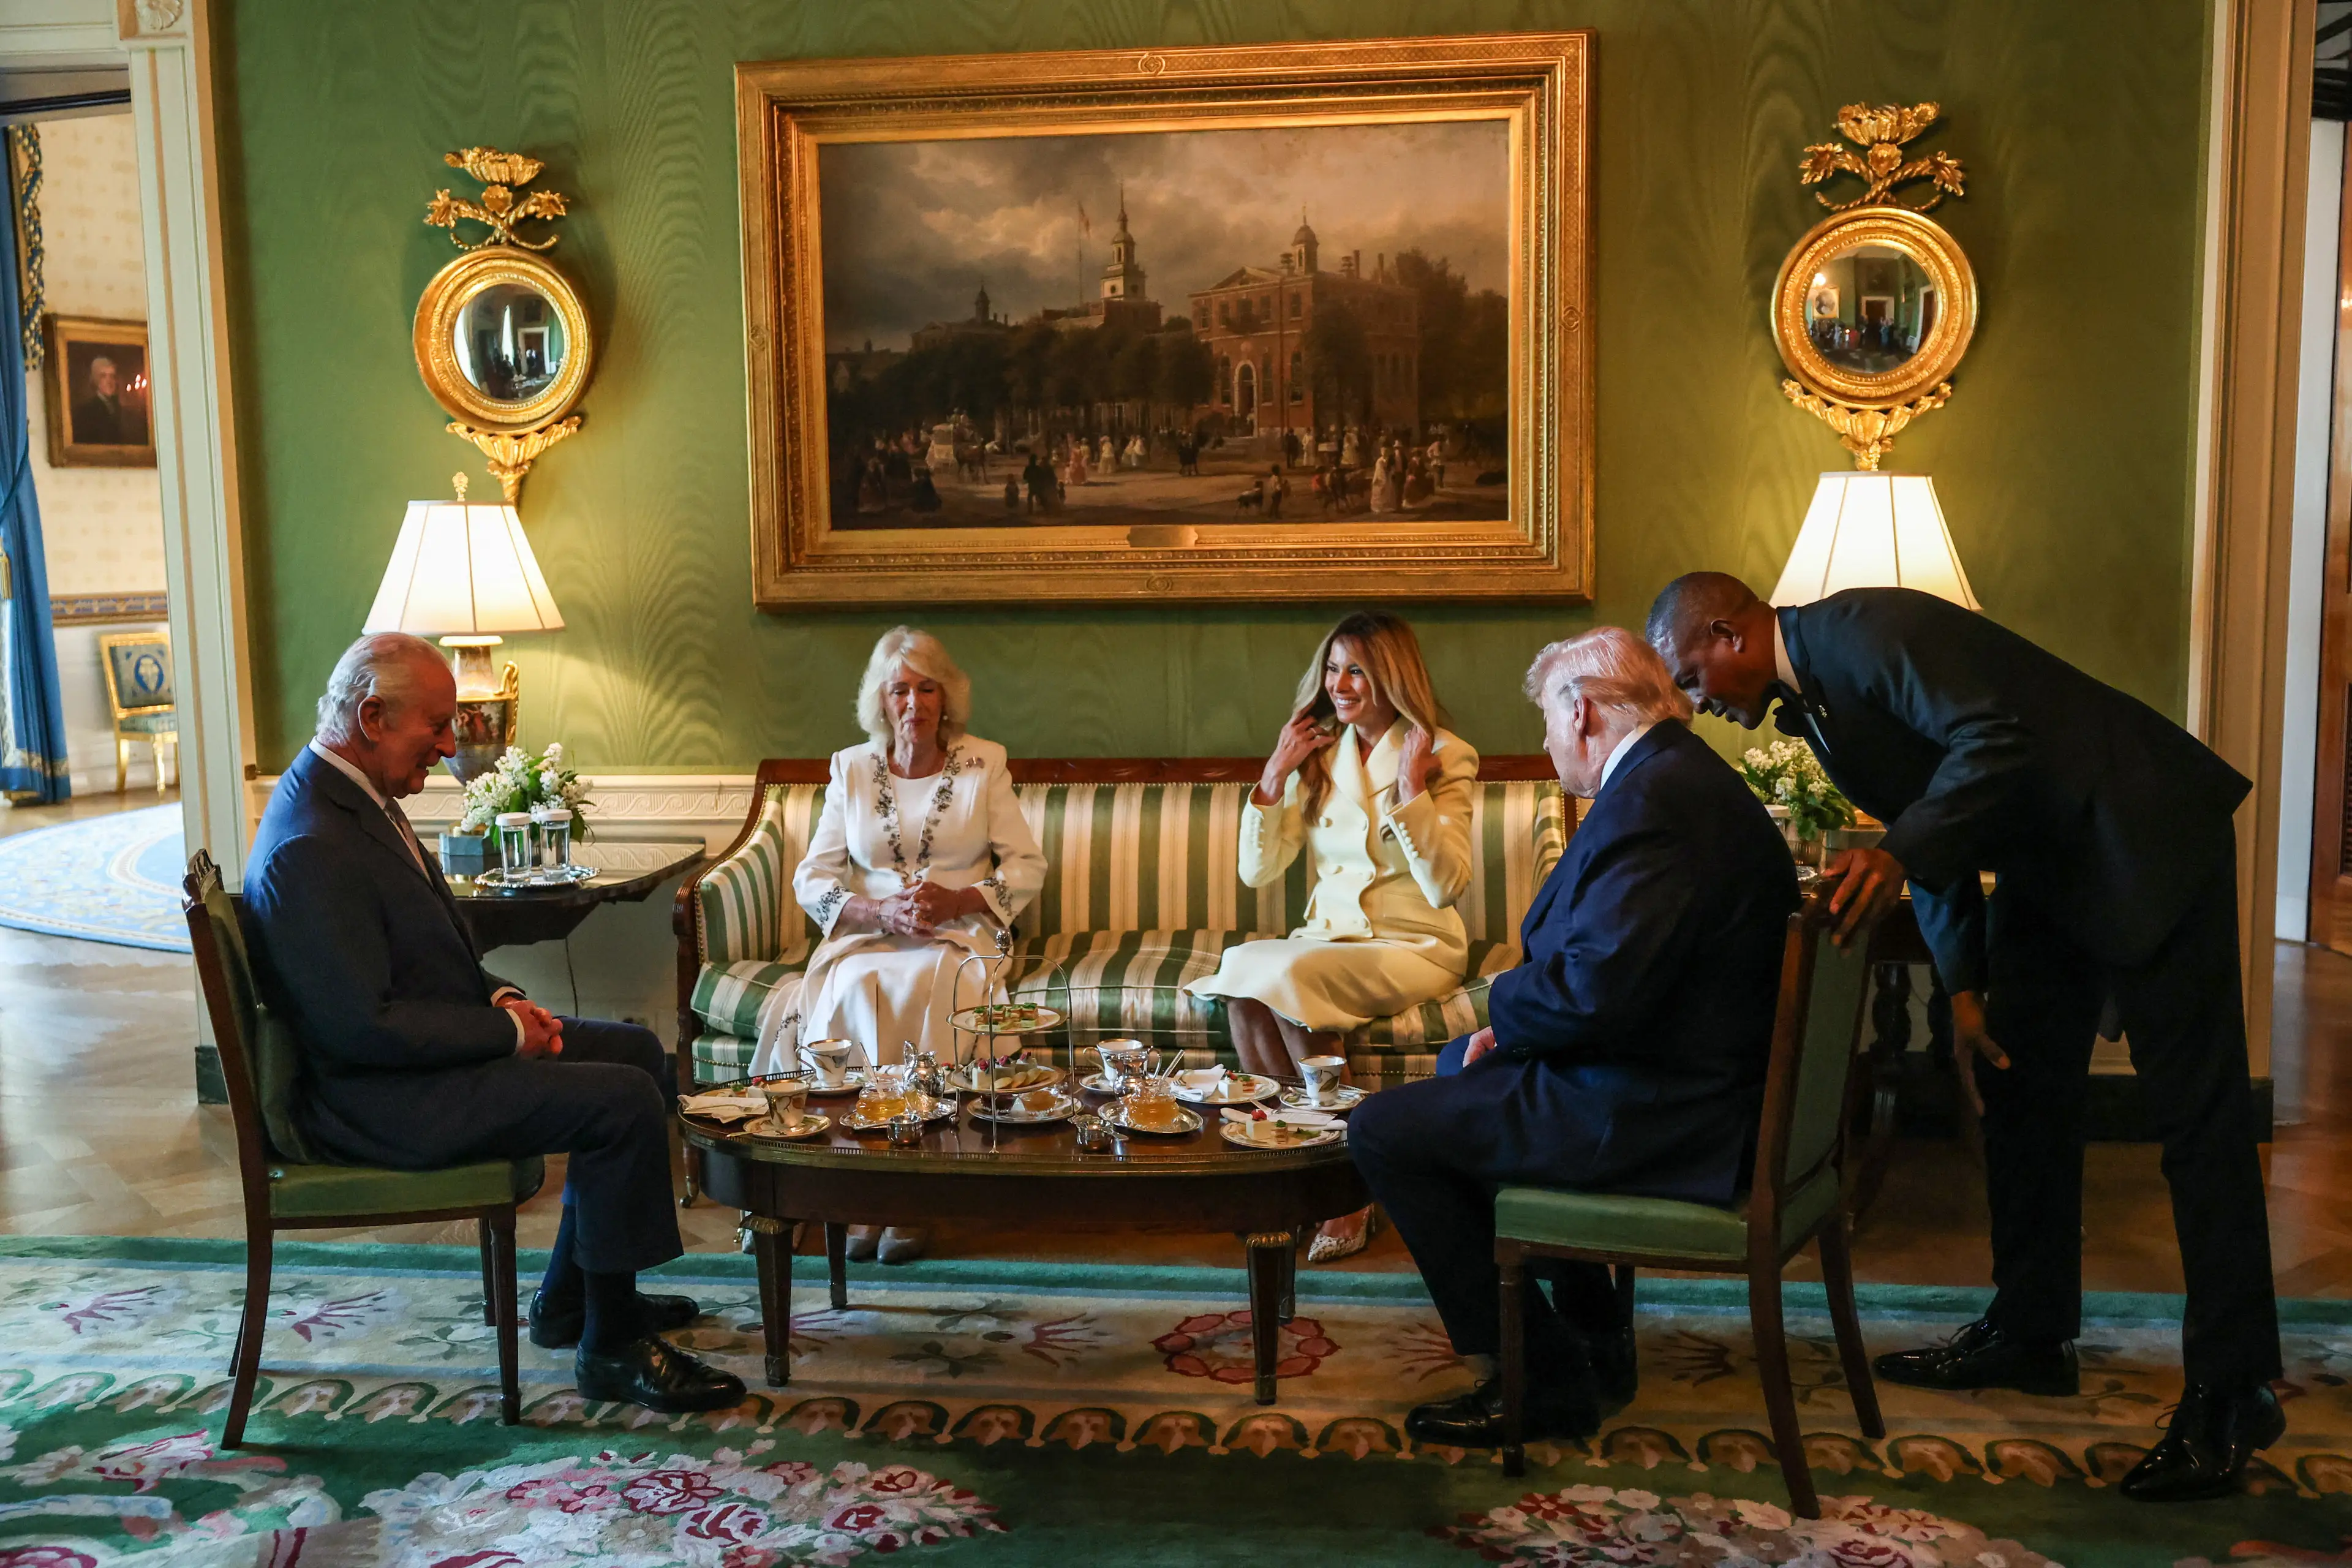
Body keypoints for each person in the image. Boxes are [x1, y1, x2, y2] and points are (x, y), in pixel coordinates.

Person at [1646, 573, 2282, 1503]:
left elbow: (1994, 742)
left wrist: (1898, 854)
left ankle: (2234, 1391)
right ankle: (2031, 1333)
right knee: (2018, 1084)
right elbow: (1932, 819)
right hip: (2050, 869)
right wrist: (1967, 992)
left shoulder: (1866, 629)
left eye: (1688, 676)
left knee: (2198, 1123)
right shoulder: (1811, 701)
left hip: (2143, 836)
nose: (1695, 703)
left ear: (1725, 631)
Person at [243, 634, 744, 1414]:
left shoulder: (358, 799)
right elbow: (361, 1029)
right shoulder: (312, 841)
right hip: (375, 1101)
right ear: (372, 717)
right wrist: (510, 1038)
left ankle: (570, 1302)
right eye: (438, 725)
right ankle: (611, 1346)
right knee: (618, 1103)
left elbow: (427, 952)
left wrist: (503, 999)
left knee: (639, 1053)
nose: (450, 746)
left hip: (416, 1066)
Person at [1349, 627, 1797, 1447]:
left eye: (1551, 730)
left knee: (1383, 1130)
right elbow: (1621, 976)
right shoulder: (1683, 779)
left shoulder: (1655, 803)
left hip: (1665, 1113)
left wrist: (1505, 1013)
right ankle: (1592, 1335)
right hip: (1687, 1081)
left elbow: (1596, 993)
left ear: (1584, 711)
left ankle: (1542, 1382)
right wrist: (1506, 1035)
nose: (1551, 748)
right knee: (1458, 1070)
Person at [1187, 611, 1478, 1263]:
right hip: (1327, 939)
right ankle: (1288, 1177)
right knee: (1246, 981)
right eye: (1333, 668)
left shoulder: (1445, 754)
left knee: (1289, 977)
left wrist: (1410, 792)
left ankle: (1348, 1188)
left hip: (1413, 944)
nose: (1340, 683)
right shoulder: (1320, 756)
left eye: (1357, 669)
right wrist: (1274, 776)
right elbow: (1258, 870)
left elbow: (1448, 885)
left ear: (1391, 677)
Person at [751, 628, 1046, 1264]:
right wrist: (876, 909)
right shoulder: (851, 768)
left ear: (947, 697)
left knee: (938, 982)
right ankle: (864, 1191)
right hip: (868, 934)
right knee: (855, 986)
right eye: (900, 690)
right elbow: (814, 877)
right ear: (882, 702)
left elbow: (1027, 867)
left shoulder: (983, 762)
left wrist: (960, 899)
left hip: (959, 933)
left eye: (927, 688)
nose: (914, 703)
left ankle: (919, 1196)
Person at [72, 355, 146, 447]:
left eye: (112, 376)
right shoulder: (86, 412)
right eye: (104, 376)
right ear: (96, 380)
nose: (109, 381)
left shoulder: (121, 409)